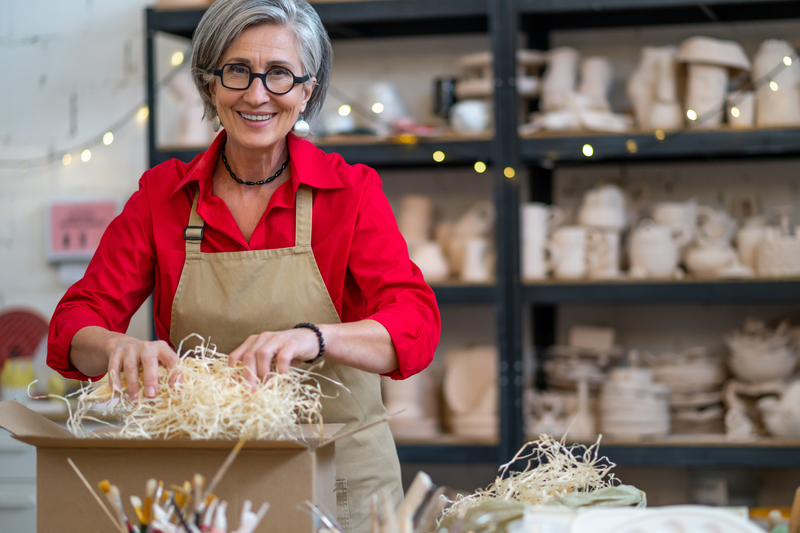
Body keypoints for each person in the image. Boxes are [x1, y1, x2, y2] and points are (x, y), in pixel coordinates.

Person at [46, 1, 440, 531]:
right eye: (237, 72)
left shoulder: (350, 191)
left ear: (307, 89)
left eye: (279, 74)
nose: (257, 95)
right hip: (210, 489)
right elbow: (74, 321)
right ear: (210, 84)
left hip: (343, 485)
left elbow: (414, 323)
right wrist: (116, 346)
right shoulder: (163, 195)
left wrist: (314, 338)